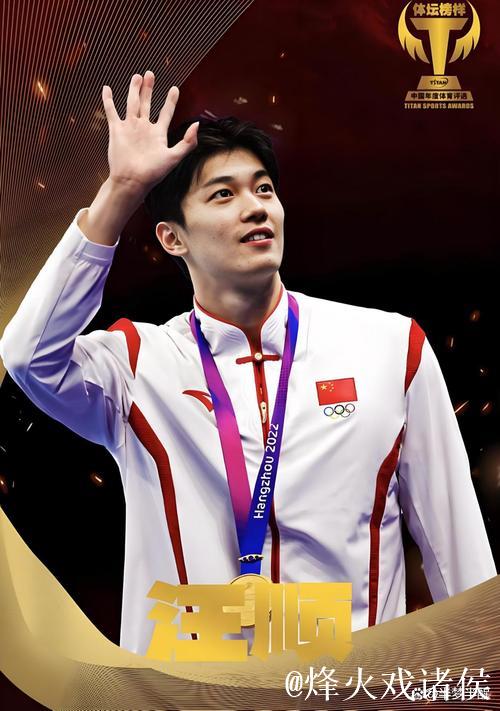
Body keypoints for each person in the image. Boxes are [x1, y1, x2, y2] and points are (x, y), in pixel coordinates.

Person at [0, 71, 496, 657]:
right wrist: (122, 191)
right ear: (172, 238)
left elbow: (458, 555)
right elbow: (29, 355)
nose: (255, 207)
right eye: (223, 194)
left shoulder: (391, 348)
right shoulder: (136, 366)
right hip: (190, 692)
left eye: (263, 189)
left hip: (346, 688)